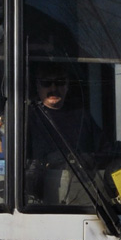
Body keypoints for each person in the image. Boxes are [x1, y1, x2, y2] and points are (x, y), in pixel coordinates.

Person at [24, 61, 105, 204]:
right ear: (37, 86)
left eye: (60, 82)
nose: (53, 88)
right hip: (39, 203)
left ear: (67, 86)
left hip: (82, 199)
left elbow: (104, 152)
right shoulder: (27, 119)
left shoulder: (82, 117)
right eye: (46, 83)